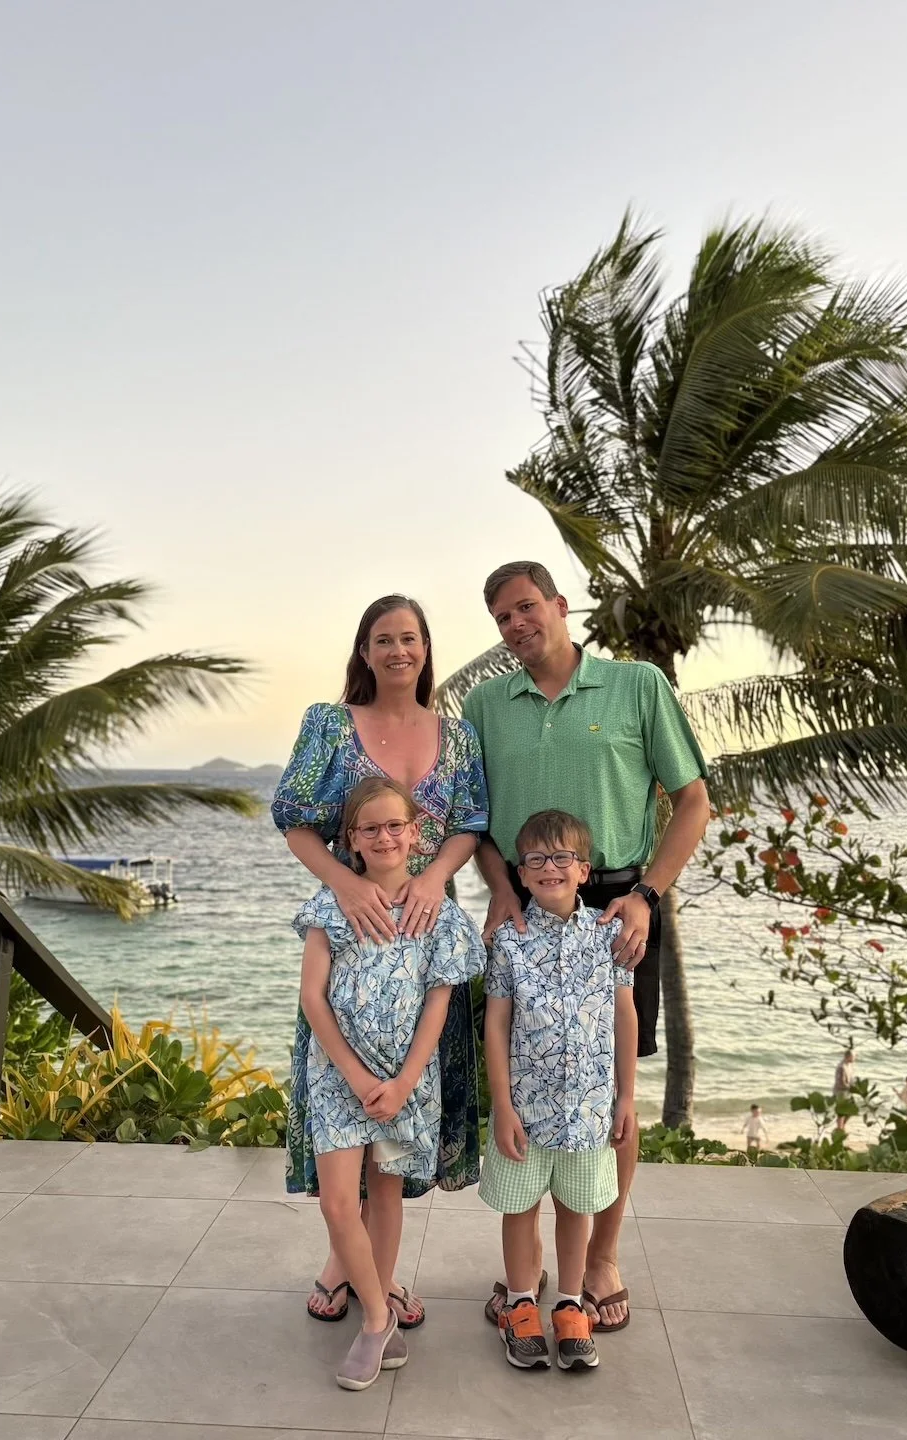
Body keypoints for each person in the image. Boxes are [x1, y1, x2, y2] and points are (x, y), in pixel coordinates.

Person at [462, 561, 710, 1332]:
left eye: (527, 607)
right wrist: (502, 890)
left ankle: (600, 1256)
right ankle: (527, 1274)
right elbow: (474, 819)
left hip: (618, 905)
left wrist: (645, 896)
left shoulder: (636, 685)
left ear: (560, 606)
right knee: (526, 1062)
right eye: (502, 616)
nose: (516, 625)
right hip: (522, 903)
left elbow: (693, 800)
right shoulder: (483, 703)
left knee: (611, 1085)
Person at [272, 594, 488, 1329]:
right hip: (354, 928)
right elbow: (294, 820)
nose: (399, 650)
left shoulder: (455, 736)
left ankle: (373, 1277)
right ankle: (354, 1270)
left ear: (427, 648)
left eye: (411, 638)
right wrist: (347, 884)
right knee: (348, 1104)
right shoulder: (328, 725)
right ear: (364, 651)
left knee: (402, 1113)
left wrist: (430, 880)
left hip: (424, 928)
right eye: (383, 639)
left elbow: (471, 824)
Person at [297, 776, 484, 1389]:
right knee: (336, 1201)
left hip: (407, 1085)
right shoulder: (332, 905)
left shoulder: (438, 914)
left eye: (394, 826)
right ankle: (378, 1317)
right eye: (369, 828)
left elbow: (439, 1005)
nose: (383, 837)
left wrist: (404, 1081)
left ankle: (376, 1323)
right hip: (337, 1079)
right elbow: (313, 999)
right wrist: (352, 1072)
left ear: (416, 834)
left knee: (385, 1194)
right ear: (351, 840)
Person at [481, 809, 637, 1371]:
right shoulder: (509, 942)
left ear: (584, 869)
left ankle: (570, 1303)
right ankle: (521, 1303)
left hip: (589, 1110)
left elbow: (625, 1014)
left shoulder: (610, 934)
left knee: (577, 1206)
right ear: (520, 874)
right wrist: (502, 1105)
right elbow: (495, 1024)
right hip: (526, 1106)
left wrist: (625, 1097)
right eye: (537, 860)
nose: (550, 868)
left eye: (562, 858)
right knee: (520, 1206)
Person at [834, 1048, 855, 1131]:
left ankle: (842, 1126)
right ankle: (840, 1129)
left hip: (847, 1092)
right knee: (841, 1113)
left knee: (852, 1109)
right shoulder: (841, 1067)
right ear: (849, 1056)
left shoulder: (849, 1065)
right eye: (853, 1056)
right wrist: (851, 1088)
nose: (855, 1058)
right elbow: (840, 1083)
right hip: (841, 1092)